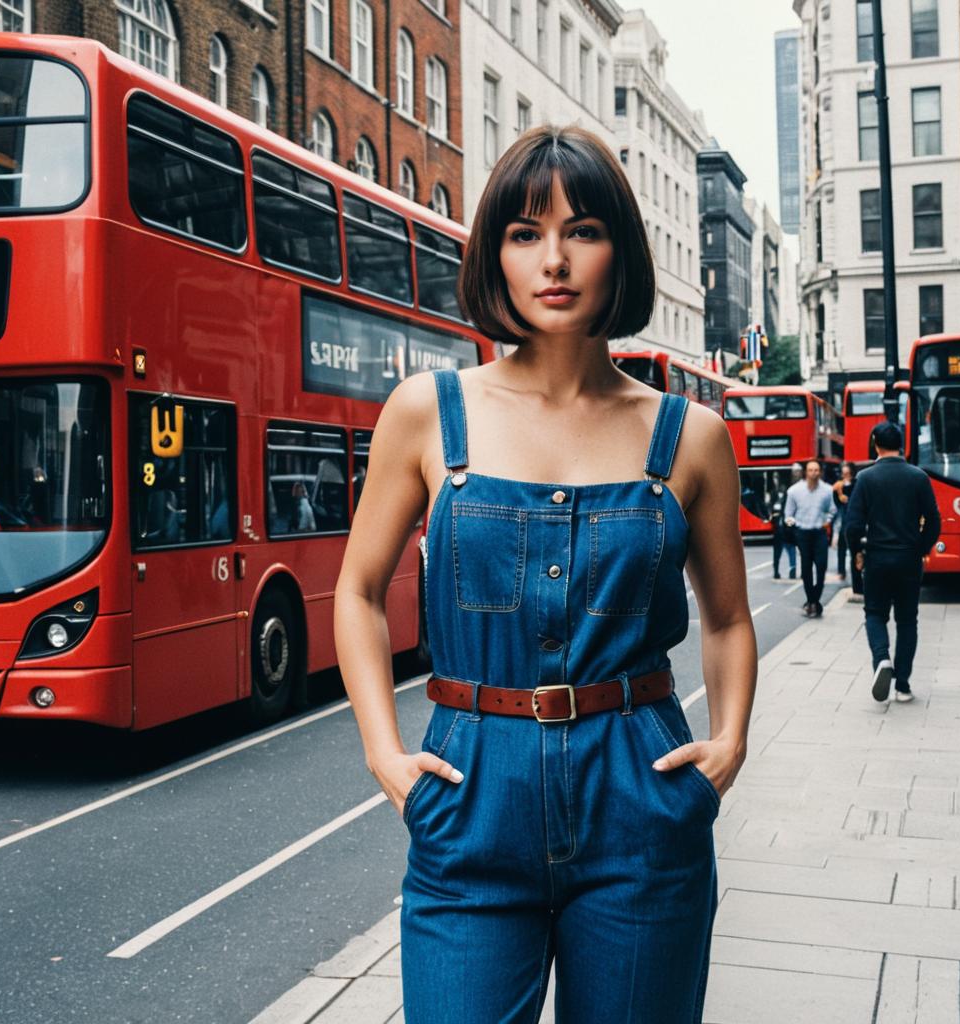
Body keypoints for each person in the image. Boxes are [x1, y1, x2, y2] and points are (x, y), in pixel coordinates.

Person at [333, 125, 757, 1024]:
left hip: (638, 798)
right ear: (494, 253)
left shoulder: (692, 437)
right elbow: (359, 589)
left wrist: (727, 745)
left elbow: (725, 619)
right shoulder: (427, 414)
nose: (554, 259)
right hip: (471, 797)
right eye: (525, 234)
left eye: (583, 230)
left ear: (621, 252)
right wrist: (383, 753)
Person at [844, 421, 941, 703]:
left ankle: (882, 659)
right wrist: (920, 548)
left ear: (875, 444)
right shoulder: (918, 477)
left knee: (875, 614)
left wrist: (857, 553)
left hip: (877, 558)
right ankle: (903, 685)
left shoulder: (865, 478)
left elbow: (853, 525)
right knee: (907, 620)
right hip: (909, 558)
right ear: (902, 444)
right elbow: (934, 521)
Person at [784, 458, 835, 617]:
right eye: (811, 470)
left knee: (821, 567)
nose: (814, 473)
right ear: (806, 472)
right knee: (806, 569)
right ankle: (812, 601)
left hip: (819, 533)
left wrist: (827, 521)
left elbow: (832, 510)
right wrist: (794, 527)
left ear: (820, 472)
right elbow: (788, 514)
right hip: (803, 533)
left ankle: (814, 600)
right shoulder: (794, 491)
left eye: (816, 470)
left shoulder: (827, 490)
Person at [767, 471, 796, 580]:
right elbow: (770, 506)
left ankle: (792, 570)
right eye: (774, 477)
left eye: (777, 477)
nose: (775, 480)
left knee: (791, 548)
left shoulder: (789, 492)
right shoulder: (773, 492)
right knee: (777, 551)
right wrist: (771, 514)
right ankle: (776, 571)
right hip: (778, 527)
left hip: (787, 526)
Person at [831, 462, 855, 581]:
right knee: (841, 548)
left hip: (854, 520)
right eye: (844, 473)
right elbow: (836, 505)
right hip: (843, 521)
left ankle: (856, 571)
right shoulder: (838, 487)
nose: (846, 475)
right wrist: (839, 493)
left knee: (855, 549)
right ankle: (841, 571)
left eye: (848, 473)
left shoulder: (856, 484)